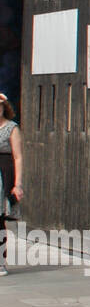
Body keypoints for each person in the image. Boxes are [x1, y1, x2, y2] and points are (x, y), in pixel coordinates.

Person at [0, 92, 23, 276]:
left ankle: (1, 262)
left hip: (3, 175)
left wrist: (18, 183)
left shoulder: (11, 128)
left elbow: (17, 156)